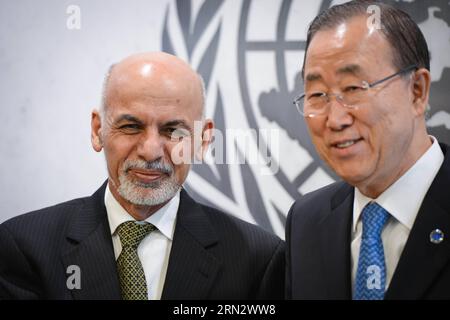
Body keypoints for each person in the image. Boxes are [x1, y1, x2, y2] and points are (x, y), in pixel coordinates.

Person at [0, 52, 284, 300]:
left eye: (174, 131)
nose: (150, 151)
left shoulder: (257, 260)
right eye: (131, 126)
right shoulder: (25, 247)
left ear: (203, 139)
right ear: (97, 129)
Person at [286, 1, 450, 300]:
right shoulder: (306, 221)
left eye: (354, 88)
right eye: (317, 95)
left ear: (417, 91)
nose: (335, 119)